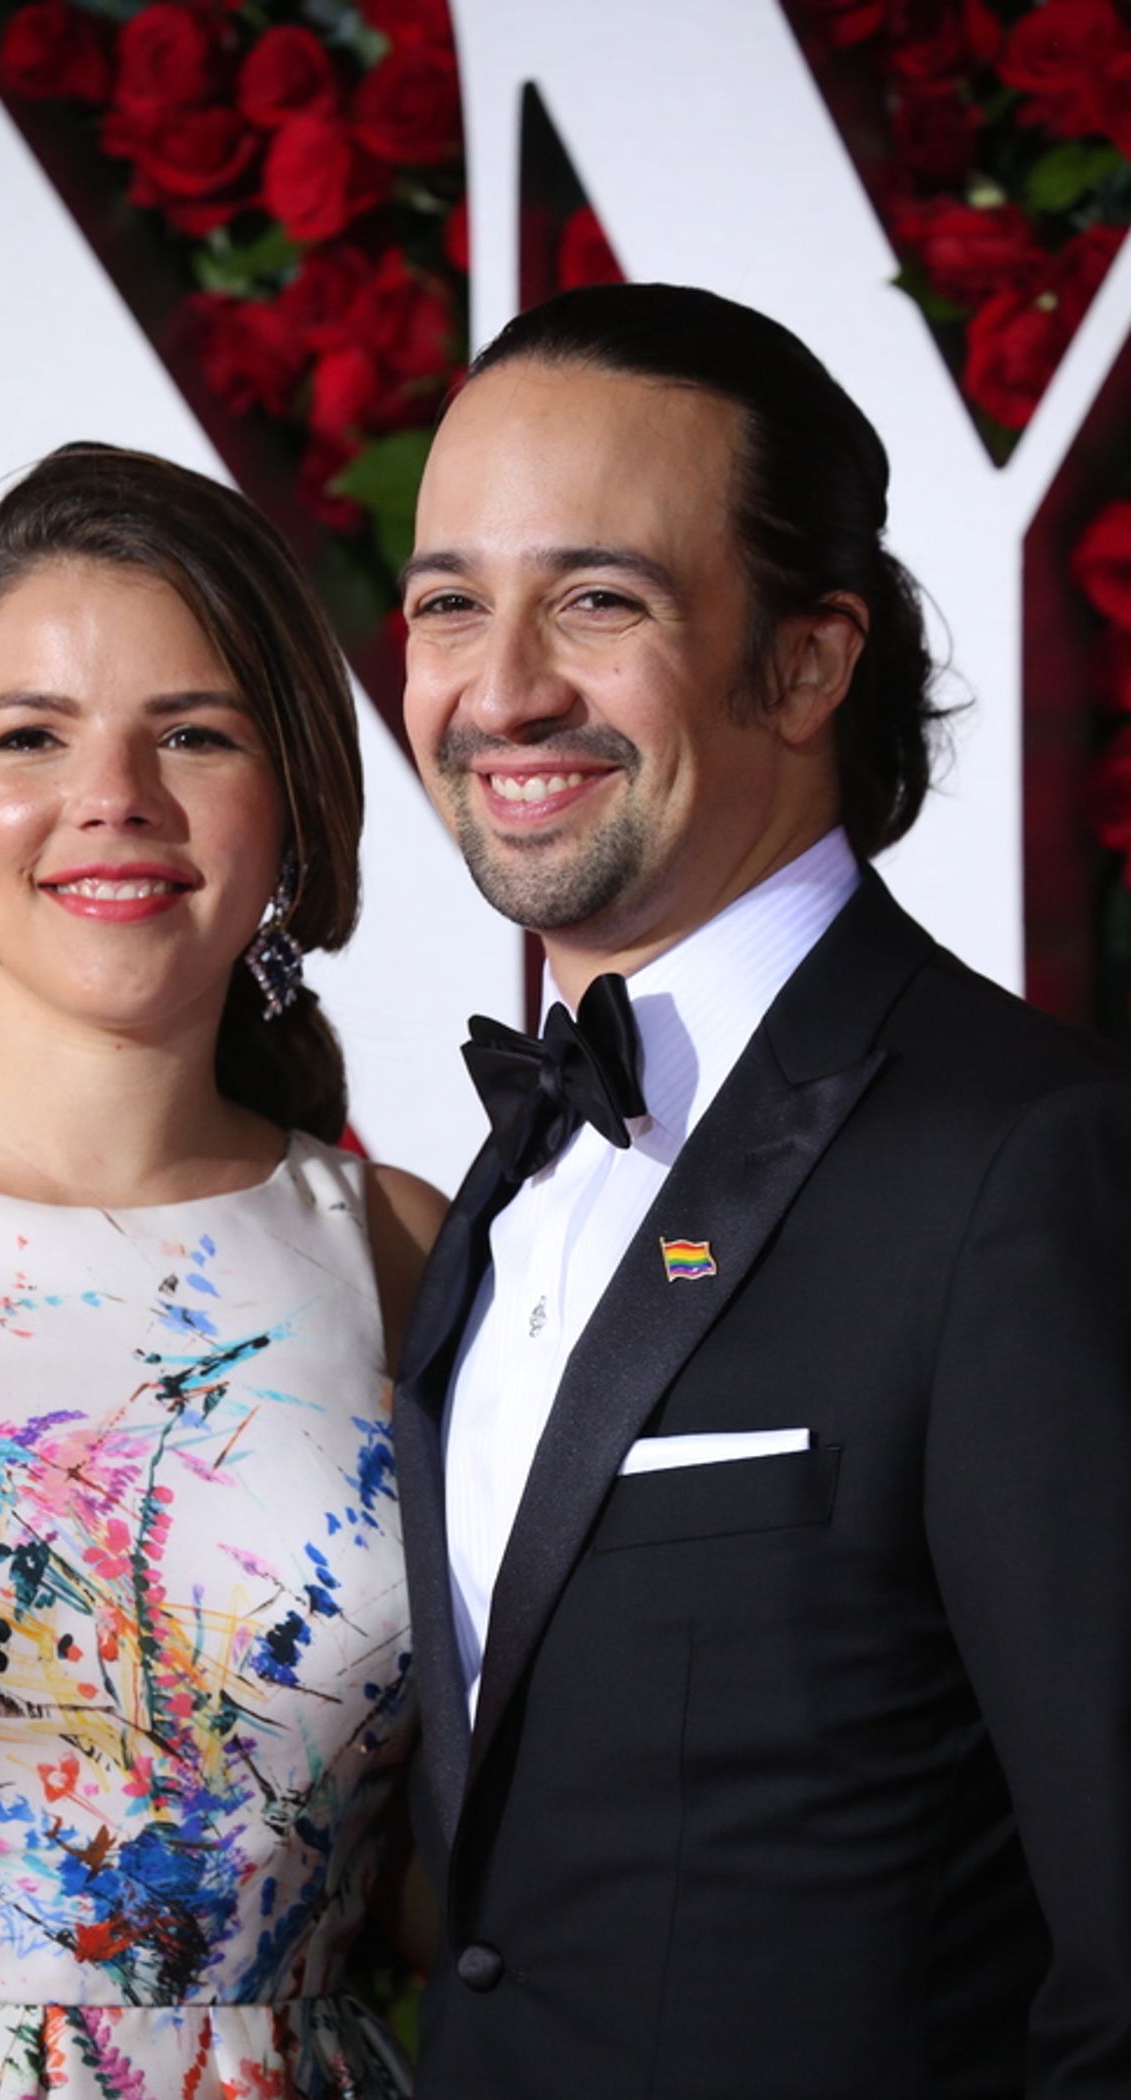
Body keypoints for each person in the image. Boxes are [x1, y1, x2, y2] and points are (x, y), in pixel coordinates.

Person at [393, 284, 1131, 2097]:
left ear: (807, 664)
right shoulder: (493, 1182)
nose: (502, 689)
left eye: (598, 600)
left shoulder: (1023, 1163)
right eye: (448, 605)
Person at [0, 443, 444, 2100]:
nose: (112, 794)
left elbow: (476, 1874)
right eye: (30, 737)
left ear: (292, 796)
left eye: (193, 733)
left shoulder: (405, 1252)